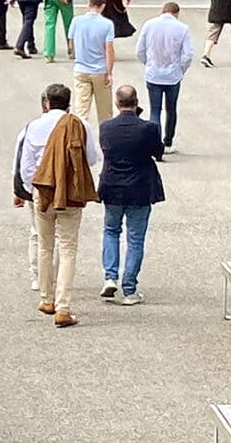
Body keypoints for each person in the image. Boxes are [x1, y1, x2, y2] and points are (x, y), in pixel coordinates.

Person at [20, 82, 98, 328]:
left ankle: (47, 299)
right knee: (67, 249)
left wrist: (34, 188)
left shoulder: (34, 126)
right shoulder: (80, 125)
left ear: (46, 103)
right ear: (69, 103)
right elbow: (93, 158)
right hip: (70, 195)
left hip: (42, 192)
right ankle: (63, 308)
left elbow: (26, 166)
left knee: (45, 246)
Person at [98, 84, 165, 306]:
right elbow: (158, 151)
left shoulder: (106, 128)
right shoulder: (150, 128)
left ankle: (110, 276)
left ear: (117, 104)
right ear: (136, 103)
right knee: (135, 238)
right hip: (140, 187)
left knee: (111, 230)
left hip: (112, 186)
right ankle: (129, 289)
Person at [136, 2, 193, 154]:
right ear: (177, 13)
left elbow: (140, 50)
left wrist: (148, 64)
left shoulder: (149, 25)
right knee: (171, 109)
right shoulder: (183, 28)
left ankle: (155, 144)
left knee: (155, 110)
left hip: (153, 74)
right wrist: (181, 69)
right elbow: (188, 55)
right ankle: (168, 142)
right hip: (173, 75)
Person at [12, 88, 51, 291]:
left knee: (37, 233)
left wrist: (21, 190)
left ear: (45, 104)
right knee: (62, 237)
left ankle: (37, 275)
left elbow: (20, 161)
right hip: (62, 188)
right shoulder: (71, 126)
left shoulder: (30, 129)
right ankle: (54, 275)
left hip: (37, 187)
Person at [68, 0, 115, 126]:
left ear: (89, 4)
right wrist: (109, 72)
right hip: (100, 70)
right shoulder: (107, 24)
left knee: (81, 111)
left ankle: (79, 141)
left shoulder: (76, 21)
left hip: (80, 69)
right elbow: (109, 49)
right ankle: (105, 143)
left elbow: (71, 42)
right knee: (105, 112)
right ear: (103, 5)